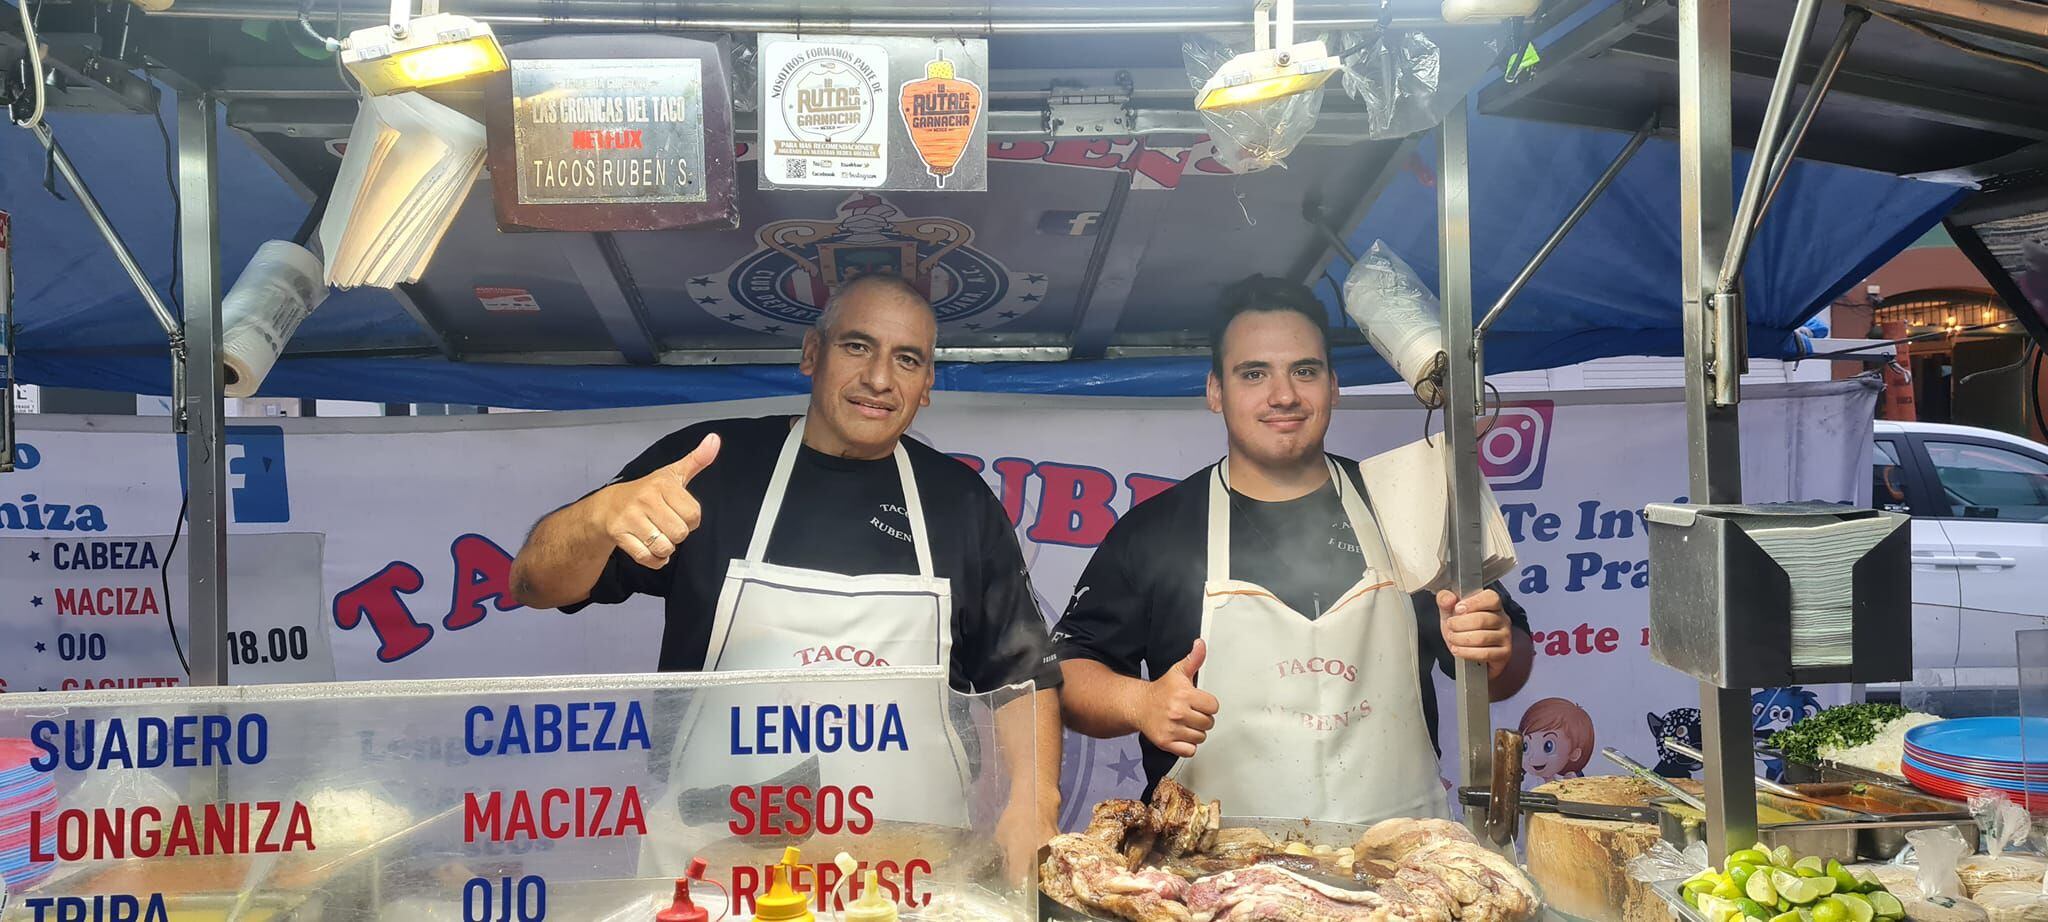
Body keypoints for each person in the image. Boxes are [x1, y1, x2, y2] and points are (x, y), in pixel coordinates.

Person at [509, 274, 1062, 877]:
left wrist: (1036, 801)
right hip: (716, 883)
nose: (879, 378)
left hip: (914, 879)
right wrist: (597, 517)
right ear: (810, 353)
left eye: (907, 360)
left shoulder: (959, 502)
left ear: (926, 385)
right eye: (857, 346)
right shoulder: (712, 468)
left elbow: (1023, 674)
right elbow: (534, 585)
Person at [1052, 275, 1535, 823]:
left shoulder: (1404, 506)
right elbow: (1066, 673)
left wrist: (1493, 648)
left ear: (1333, 385)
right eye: (1253, 373)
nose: (1282, 395)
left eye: (1304, 371)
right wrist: (1138, 703)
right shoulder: (1155, 531)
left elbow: (1509, 665)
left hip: (1398, 873)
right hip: (1210, 880)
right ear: (1215, 391)